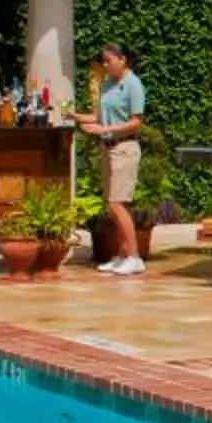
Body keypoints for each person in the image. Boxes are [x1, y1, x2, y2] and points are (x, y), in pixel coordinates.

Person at [75, 43, 149, 276]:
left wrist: (104, 130)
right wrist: (74, 116)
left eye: (109, 60)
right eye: (103, 61)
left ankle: (135, 258)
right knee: (112, 206)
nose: (105, 65)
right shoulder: (107, 84)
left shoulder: (133, 84)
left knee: (118, 204)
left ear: (122, 59)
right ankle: (122, 255)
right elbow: (98, 116)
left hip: (125, 149)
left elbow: (137, 121)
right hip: (107, 149)